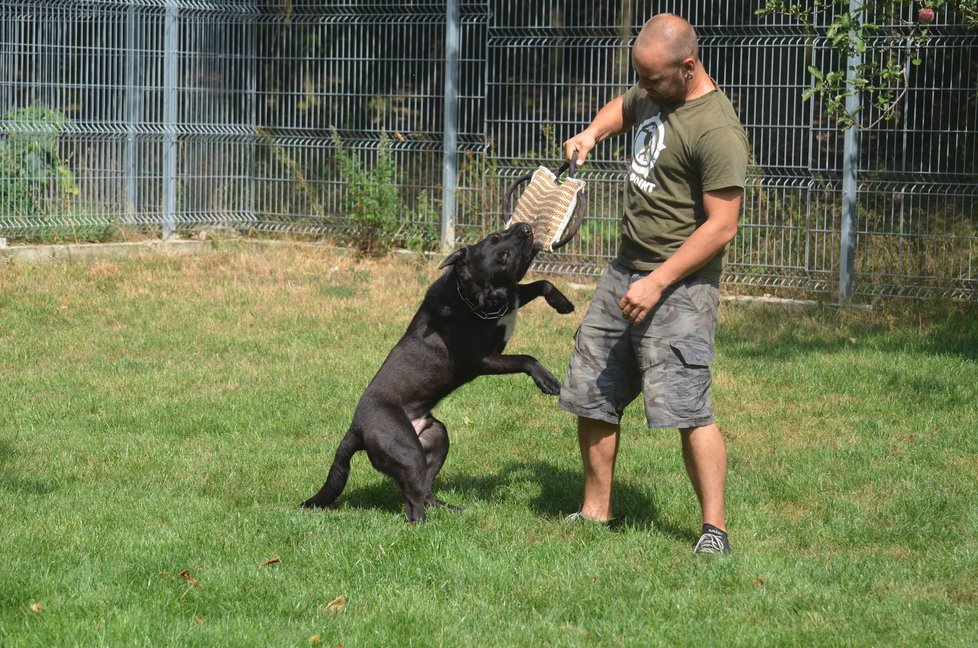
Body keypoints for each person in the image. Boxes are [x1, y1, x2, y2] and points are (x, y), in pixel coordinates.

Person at [558, 13, 749, 555]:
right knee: (593, 389)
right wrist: (592, 133)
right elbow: (624, 106)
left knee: (687, 406)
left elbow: (721, 226)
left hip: (680, 283)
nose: (641, 86)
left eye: (651, 78)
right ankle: (596, 513)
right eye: (638, 75)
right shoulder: (654, 90)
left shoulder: (715, 130)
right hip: (625, 267)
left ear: (687, 68)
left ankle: (714, 530)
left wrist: (658, 282)